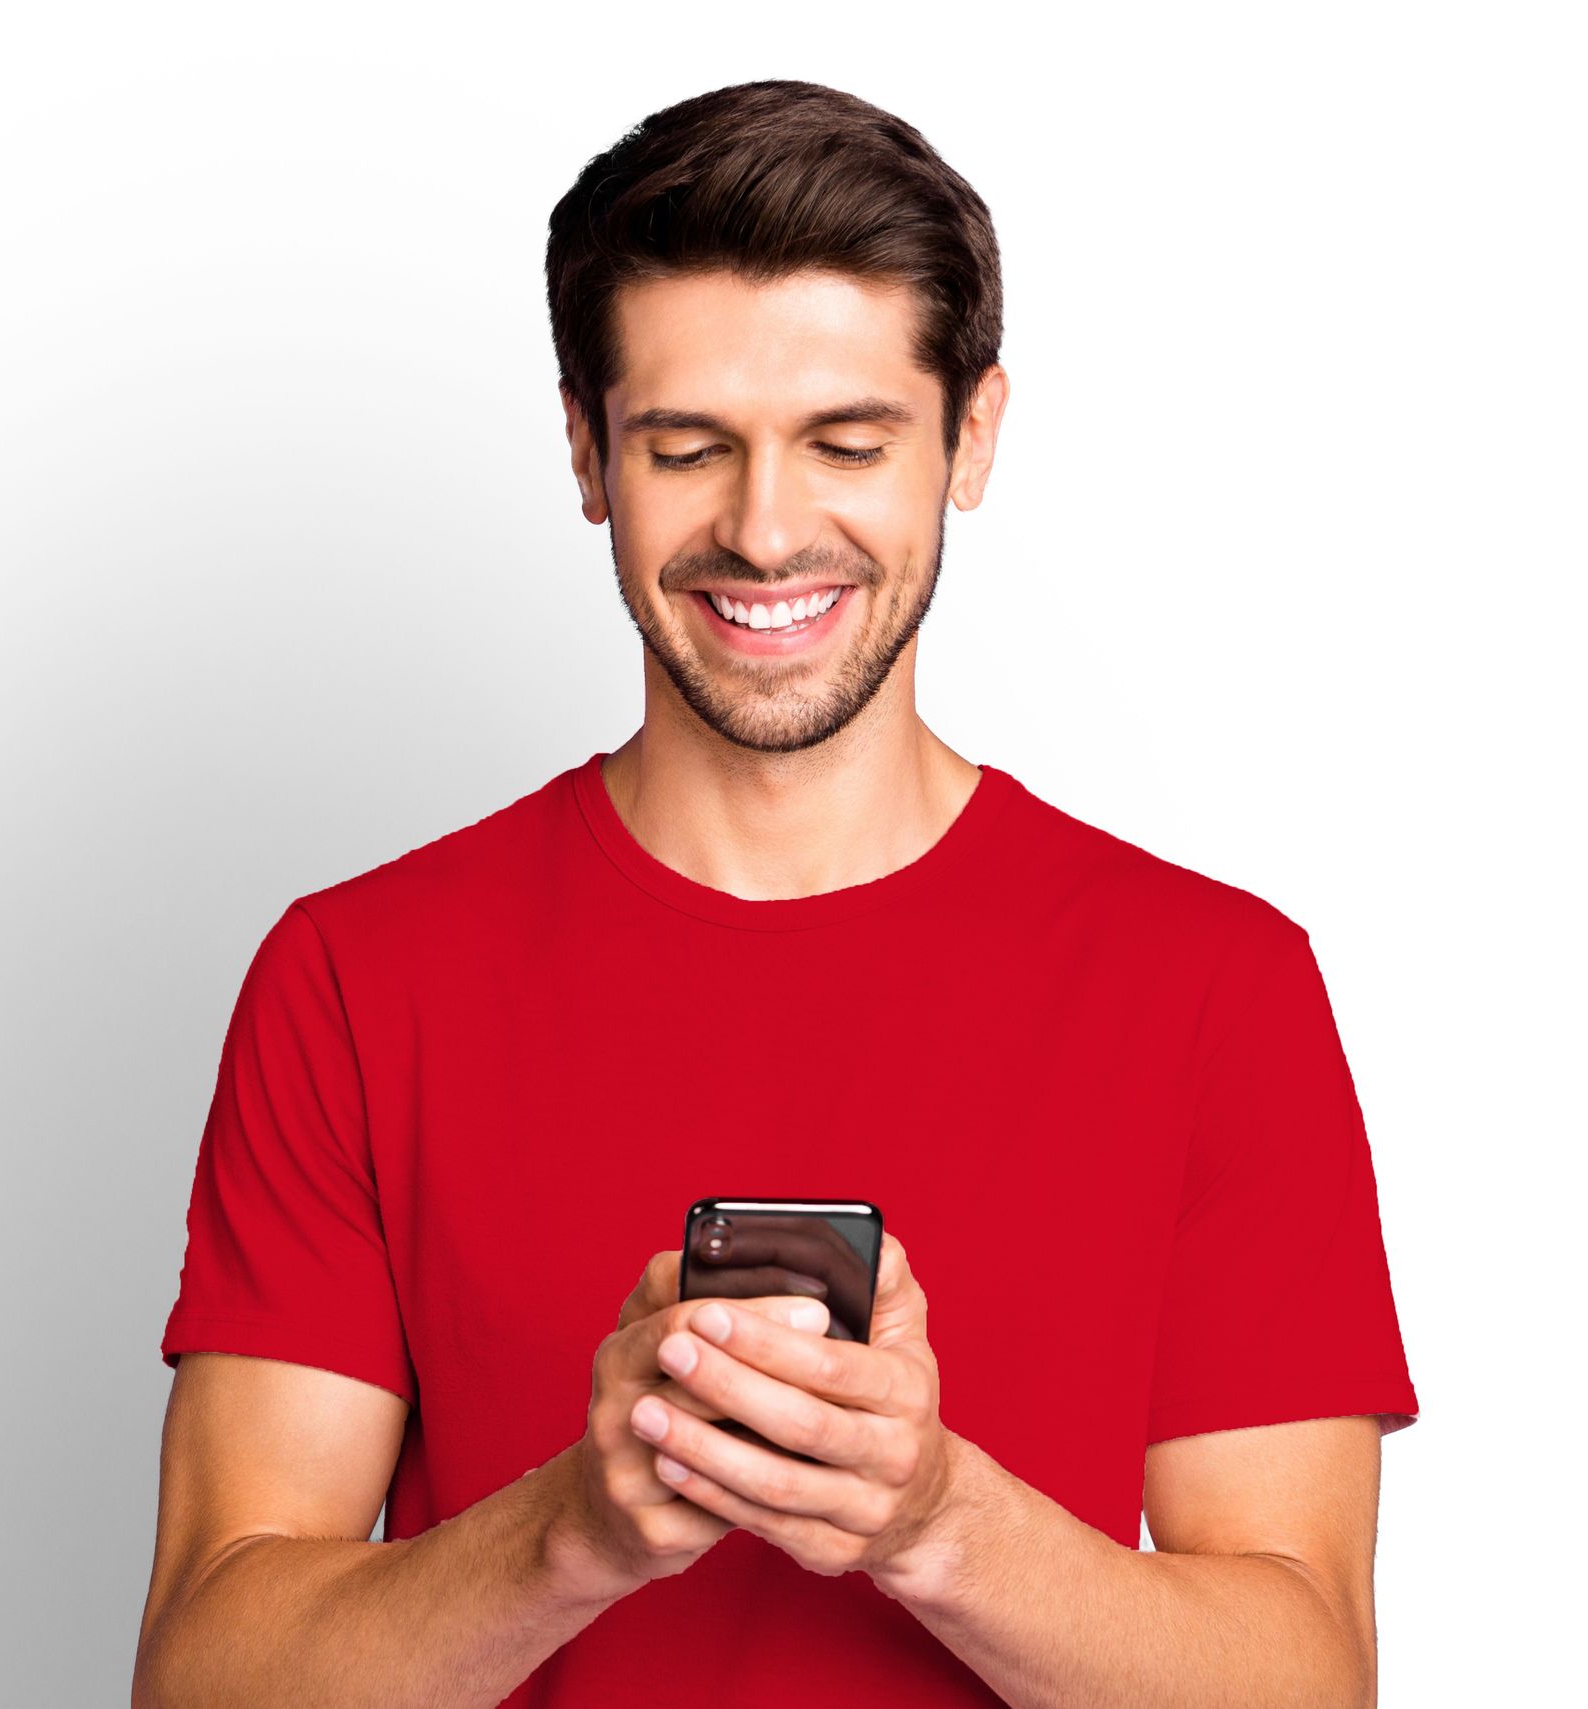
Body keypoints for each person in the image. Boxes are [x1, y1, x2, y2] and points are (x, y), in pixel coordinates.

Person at [133, 78, 1418, 1709]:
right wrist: (577, 1526)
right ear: (589, 451)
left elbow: (1308, 1682)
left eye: (846, 441)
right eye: (688, 446)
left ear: (972, 438)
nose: (763, 528)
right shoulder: (355, 976)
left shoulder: (1214, 987)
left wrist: (937, 1518)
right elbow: (203, 1680)